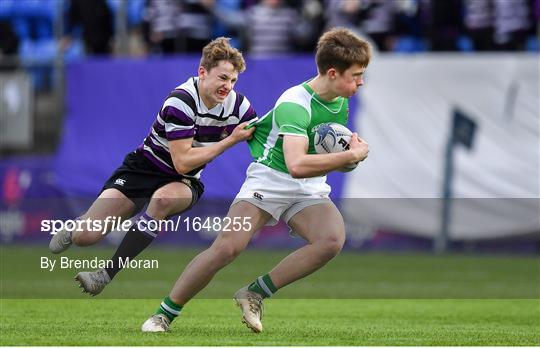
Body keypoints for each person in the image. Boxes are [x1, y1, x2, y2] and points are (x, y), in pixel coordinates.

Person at [141, 27, 371, 333]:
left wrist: (349, 157)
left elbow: (319, 155)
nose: (360, 82)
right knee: (227, 248)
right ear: (332, 73)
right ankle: (163, 315)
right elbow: (297, 163)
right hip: (270, 181)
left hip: (307, 187)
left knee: (331, 240)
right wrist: (348, 157)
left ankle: (254, 293)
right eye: (356, 75)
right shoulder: (295, 104)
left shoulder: (340, 99)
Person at [49, 37, 257, 296]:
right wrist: (230, 140)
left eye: (233, 80)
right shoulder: (181, 102)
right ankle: (78, 226)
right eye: (223, 78)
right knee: (85, 237)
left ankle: (105, 275)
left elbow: (259, 134)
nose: (228, 86)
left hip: (183, 181)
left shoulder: (238, 105)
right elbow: (182, 161)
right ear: (202, 72)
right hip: (144, 169)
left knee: (163, 199)